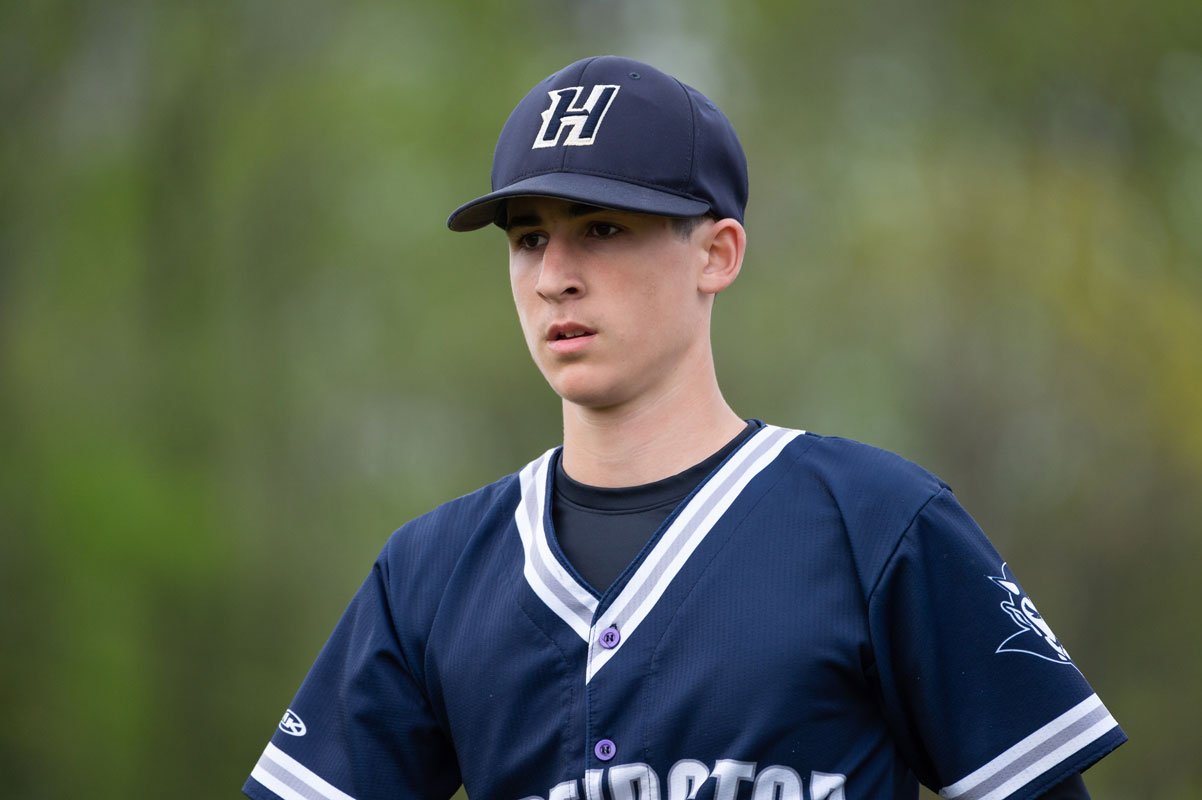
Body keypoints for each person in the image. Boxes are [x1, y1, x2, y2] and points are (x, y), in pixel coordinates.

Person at [243, 55, 1124, 800]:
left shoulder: (881, 528)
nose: (554, 275)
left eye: (600, 227)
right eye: (526, 237)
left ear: (717, 253)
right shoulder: (427, 575)